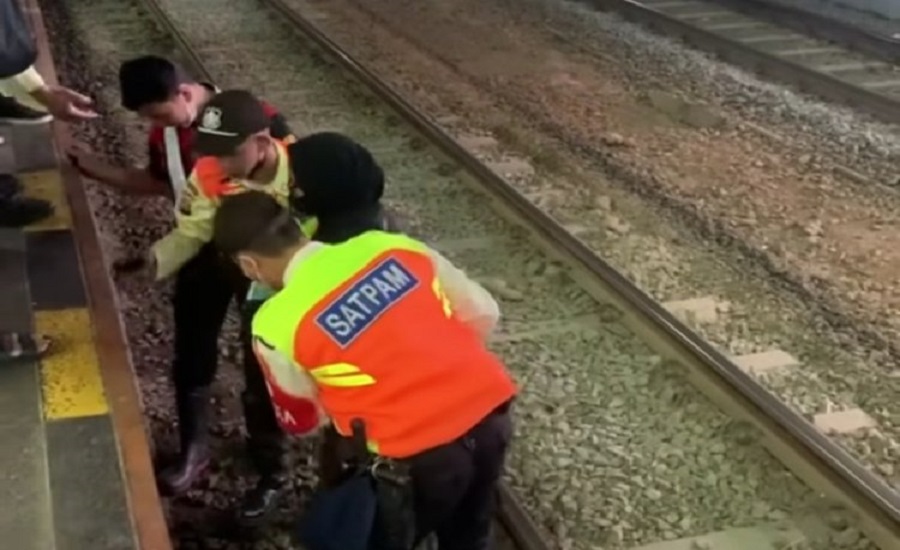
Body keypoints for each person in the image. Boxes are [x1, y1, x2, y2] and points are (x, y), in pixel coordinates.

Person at [213, 191, 517, 550]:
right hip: (490, 416)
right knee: (470, 534)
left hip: (412, 459)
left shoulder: (275, 323)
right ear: (297, 228)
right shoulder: (388, 246)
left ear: (249, 265)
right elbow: (484, 312)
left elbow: (301, 419)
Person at [67, 60, 294, 521]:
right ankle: (196, 448)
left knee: (262, 361)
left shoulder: (257, 119)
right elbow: (168, 192)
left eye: (161, 114)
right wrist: (94, 171)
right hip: (203, 251)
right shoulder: (167, 138)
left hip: (264, 263)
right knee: (192, 348)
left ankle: (272, 467)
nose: (157, 125)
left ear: (185, 93)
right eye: (149, 119)